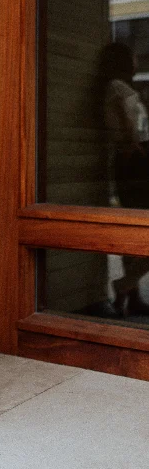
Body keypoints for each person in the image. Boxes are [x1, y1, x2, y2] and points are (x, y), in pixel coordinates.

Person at [100, 41, 149, 317]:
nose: (136, 62)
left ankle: (130, 295)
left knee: (136, 228)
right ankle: (125, 285)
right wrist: (135, 147)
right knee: (137, 226)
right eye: (132, 56)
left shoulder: (121, 87)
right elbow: (128, 126)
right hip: (134, 162)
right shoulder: (118, 87)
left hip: (135, 159)